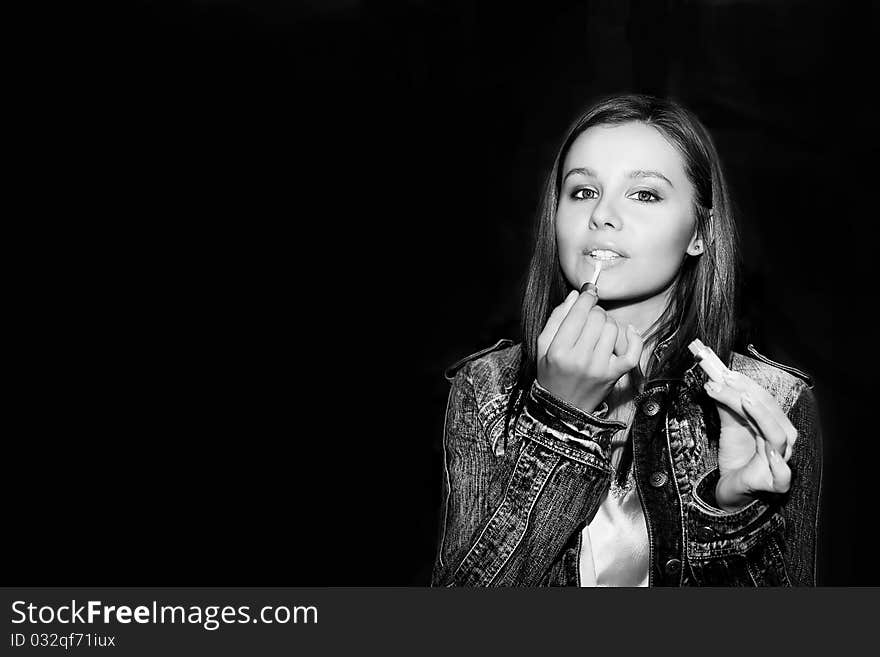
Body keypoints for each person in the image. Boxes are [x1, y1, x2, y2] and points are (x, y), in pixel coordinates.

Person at [430, 93, 822, 587]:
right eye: (582, 192)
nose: (602, 216)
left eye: (644, 194)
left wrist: (730, 513)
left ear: (700, 233)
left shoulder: (771, 401)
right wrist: (559, 419)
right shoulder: (484, 388)